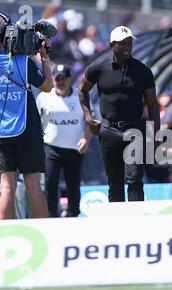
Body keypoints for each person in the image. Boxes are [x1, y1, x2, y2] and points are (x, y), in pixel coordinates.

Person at [0, 13, 53, 219]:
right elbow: (47, 86)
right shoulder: (22, 61)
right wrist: (43, 55)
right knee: (33, 186)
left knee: (7, 187)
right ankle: (46, 234)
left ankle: (7, 234)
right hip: (26, 130)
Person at [78, 26, 160, 202]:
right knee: (114, 182)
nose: (127, 47)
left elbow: (153, 106)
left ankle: (135, 221)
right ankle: (117, 224)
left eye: (129, 43)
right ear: (112, 45)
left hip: (135, 130)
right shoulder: (98, 68)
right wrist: (88, 118)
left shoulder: (143, 71)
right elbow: (82, 91)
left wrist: (156, 136)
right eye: (122, 43)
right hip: (108, 130)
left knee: (135, 179)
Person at [36, 64, 91, 217]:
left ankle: (73, 216)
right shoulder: (44, 97)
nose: (60, 82)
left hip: (75, 148)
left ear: (69, 79)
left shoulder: (80, 97)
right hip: (51, 148)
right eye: (57, 78)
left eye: (63, 79)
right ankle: (51, 216)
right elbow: (35, 120)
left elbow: (89, 121)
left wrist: (86, 139)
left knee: (73, 185)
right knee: (50, 184)